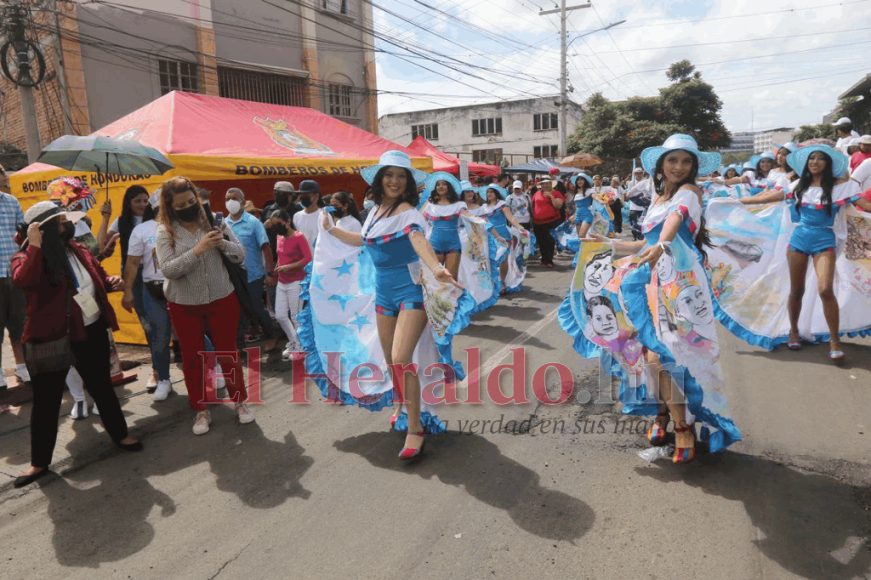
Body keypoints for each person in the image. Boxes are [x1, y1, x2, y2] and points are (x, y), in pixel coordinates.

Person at [568, 134, 741, 464]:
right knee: (648, 353)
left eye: (686, 161)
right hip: (648, 280)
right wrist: (609, 242)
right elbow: (644, 242)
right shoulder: (659, 197)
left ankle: (681, 426)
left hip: (680, 286)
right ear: (661, 165)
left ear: (693, 167)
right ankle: (663, 416)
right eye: (672, 160)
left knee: (667, 357)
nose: (678, 167)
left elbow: (671, 227)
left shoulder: (690, 193)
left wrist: (661, 245)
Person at [323, 151, 461, 460]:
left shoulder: (409, 212)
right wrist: (331, 229)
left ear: (408, 181)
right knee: (390, 360)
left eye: (401, 176)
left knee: (401, 358)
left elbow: (418, 241)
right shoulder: (374, 212)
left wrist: (437, 268)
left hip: (411, 293)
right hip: (382, 295)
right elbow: (362, 239)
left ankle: (415, 428)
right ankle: (401, 402)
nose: (395, 181)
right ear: (379, 179)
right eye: (389, 175)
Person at [11, 202, 142, 487]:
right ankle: (39, 463)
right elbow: (23, 281)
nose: (66, 226)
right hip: (52, 338)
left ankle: (121, 435)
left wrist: (110, 281)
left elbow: (95, 278)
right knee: (46, 401)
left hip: (90, 329)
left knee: (101, 386)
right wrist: (33, 247)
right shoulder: (25, 256)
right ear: (42, 230)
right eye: (59, 223)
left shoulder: (78, 249)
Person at [739, 145, 871, 358]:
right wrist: (737, 201)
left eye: (820, 159)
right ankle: (793, 331)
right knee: (796, 290)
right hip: (798, 240)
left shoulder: (841, 187)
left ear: (828, 164)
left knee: (825, 289)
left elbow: (865, 203)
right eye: (812, 158)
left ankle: (835, 341)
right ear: (806, 163)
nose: (815, 162)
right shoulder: (798, 185)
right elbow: (768, 197)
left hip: (824, 241)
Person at [155, 177, 254, 435]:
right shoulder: (165, 232)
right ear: (170, 206)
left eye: (191, 201)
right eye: (181, 204)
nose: (188, 206)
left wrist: (221, 242)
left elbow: (240, 254)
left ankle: (240, 402)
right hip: (184, 305)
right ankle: (201, 410)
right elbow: (168, 269)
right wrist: (198, 250)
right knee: (193, 359)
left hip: (222, 299)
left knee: (228, 354)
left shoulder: (214, 220)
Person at [121, 191, 172, 401]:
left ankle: (212, 366)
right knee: (159, 337)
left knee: (194, 330)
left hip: (181, 287)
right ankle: (164, 379)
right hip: (153, 290)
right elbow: (132, 263)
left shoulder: (183, 225)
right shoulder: (141, 229)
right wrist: (128, 291)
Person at [225, 187, 278, 350]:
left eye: (234, 198)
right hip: (233, 276)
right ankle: (239, 345)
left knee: (256, 307)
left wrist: (270, 273)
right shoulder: (223, 224)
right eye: (227, 199)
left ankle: (272, 335)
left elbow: (265, 247)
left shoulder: (253, 222)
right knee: (237, 311)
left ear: (242, 202)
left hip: (253, 275)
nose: (230, 202)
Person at [0, 165, 30, 389]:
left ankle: (22, 368)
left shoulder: (11, 202)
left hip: (14, 275)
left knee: (19, 326)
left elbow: (23, 238)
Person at [271, 210, 311, 360]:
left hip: (296, 281)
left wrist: (290, 267)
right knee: (280, 315)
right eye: (274, 225)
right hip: (282, 281)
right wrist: (279, 268)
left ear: (287, 221)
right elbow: (281, 256)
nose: (276, 228)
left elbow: (308, 258)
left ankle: (300, 348)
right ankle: (295, 344)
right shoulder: (279, 236)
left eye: (279, 224)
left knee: (295, 316)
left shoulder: (299, 237)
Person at [420, 172, 467, 281]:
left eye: (444, 184)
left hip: (454, 244)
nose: (440, 187)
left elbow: (469, 218)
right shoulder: (429, 205)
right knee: (436, 279)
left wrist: (483, 223)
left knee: (452, 279)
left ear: (449, 187)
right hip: (434, 244)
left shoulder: (459, 205)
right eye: (438, 185)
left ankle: (453, 299)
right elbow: (419, 220)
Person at [480, 184, 524, 292]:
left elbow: (510, 218)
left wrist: (519, 226)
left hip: (503, 235)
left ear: (496, 194)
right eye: (488, 192)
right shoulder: (483, 207)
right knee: (490, 261)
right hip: (488, 236)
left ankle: (503, 281)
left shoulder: (502, 205)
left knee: (503, 259)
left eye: (491, 192)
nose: (489, 194)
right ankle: (493, 283)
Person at [531, 178, 565, 268]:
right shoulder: (537, 194)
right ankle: (544, 258)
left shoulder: (556, 193)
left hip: (551, 221)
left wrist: (551, 196)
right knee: (541, 241)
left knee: (549, 241)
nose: (545, 186)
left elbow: (558, 206)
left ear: (551, 184)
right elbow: (533, 205)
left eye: (547, 184)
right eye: (543, 184)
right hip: (537, 222)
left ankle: (549, 260)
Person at [293, 179, 323, 249]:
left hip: (320, 257)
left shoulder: (324, 215)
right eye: (301, 194)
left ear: (316, 196)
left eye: (306, 194)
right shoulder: (296, 216)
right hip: (303, 258)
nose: (302, 197)